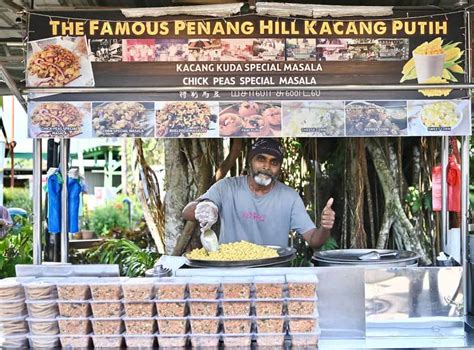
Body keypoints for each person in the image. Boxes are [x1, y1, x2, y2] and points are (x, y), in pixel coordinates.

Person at [182, 139, 335, 248]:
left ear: (279, 168)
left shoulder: (290, 197)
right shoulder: (227, 187)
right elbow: (186, 212)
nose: (266, 166)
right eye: (261, 159)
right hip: (231, 270)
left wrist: (325, 227)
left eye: (274, 162)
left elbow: (315, 240)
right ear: (250, 161)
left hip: (273, 273)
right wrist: (206, 208)